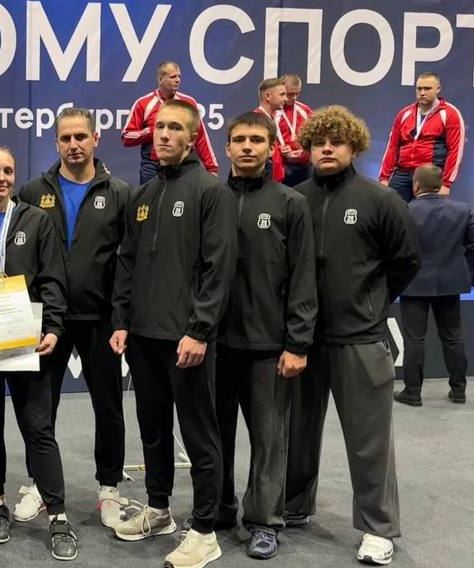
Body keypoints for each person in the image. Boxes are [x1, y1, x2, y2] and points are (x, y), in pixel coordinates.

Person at [285, 106, 421, 566]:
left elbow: (406, 261)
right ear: (308, 148)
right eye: (319, 142)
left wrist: (373, 303)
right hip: (302, 340)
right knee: (296, 432)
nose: (327, 149)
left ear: (354, 147)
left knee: (369, 442)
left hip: (360, 340)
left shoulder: (381, 200)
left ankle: (378, 529)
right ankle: (294, 505)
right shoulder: (294, 199)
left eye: (337, 142)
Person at [109, 99, 238, 568]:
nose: (164, 134)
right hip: (143, 337)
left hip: (187, 339)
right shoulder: (143, 196)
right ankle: (159, 508)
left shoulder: (211, 191)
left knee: (200, 434)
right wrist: (121, 320)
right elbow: (127, 261)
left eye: (175, 128)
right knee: (153, 429)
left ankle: (204, 530)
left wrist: (200, 330)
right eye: (159, 127)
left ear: (192, 137)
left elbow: (219, 267)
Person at [0, 146, 79, 561]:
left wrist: (54, 327)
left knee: (38, 427)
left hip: (26, 337)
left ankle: (57, 515)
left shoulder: (36, 220)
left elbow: (53, 278)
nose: (1, 178)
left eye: (7, 170)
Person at [15, 108, 133, 527]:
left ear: (96, 138)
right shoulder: (32, 191)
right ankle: (38, 483)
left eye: (81, 136)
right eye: (65, 138)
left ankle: (109, 487)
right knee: (39, 408)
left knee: (109, 406)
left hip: (99, 317)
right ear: (56, 142)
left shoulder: (119, 193)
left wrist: (121, 318)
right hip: (47, 318)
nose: (73, 145)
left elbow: (127, 262)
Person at [214, 112, 317, 559]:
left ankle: (263, 521)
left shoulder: (291, 203)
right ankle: (217, 508)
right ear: (227, 148)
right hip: (215, 344)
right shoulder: (210, 198)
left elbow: (303, 277)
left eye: (256, 139)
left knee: (269, 440)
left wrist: (297, 343)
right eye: (239, 139)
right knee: (214, 435)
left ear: (272, 147)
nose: (247, 146)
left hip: (269, 347)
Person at [394, 165, 474, 406]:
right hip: (450, 283)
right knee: (453, 337)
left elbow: (395, 250)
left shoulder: (405, 211)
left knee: (414, 339)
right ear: (441, 184)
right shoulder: (462, 210)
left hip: (414, 284)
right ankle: (459, 390)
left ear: (416, 186)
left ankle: (412, 392)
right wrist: (462, 271)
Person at [122, 61, 219, 183]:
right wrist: (152, 131)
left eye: (179, 76)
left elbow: (201, 137)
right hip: (152, 166)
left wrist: (211, 168)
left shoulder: (188, 103)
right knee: (151, 196)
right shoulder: (144, 103)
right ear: (160, 79)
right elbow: (126, 136)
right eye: (173, 77)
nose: (178, 80)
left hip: (183, 163)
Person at [379, 72, 465, 202]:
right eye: (419, 89)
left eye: (427, 88)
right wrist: (384, 178)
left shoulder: (450, 114)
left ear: (438, 89)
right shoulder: (404, 114)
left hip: (429, 174)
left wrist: (446, 183)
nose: (422, 93)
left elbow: (455, 151)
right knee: (393, 210)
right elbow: (392, 147)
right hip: (402, 173)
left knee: (426, 213)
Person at [280, 74, 314, 186]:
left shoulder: (305, 110)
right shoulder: (272, 111)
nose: (294, 97)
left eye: (297, 93)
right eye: (290, 94)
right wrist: (280, 150)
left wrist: (305, 151)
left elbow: (316, 137)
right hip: (281, 166)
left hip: (304, 167)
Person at [253, 78, 289, 183]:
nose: (286, 99)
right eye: (282, 95)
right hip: (265, 181)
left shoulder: (270, 119)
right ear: (268, 96)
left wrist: (280, 150)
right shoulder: (257, 121)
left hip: (275, 179)